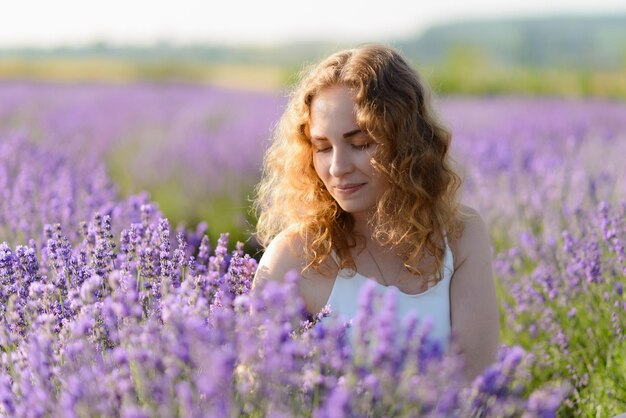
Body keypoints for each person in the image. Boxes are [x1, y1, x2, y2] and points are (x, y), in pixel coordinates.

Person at [252, 43, 499, 381]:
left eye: (360, 144)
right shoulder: (293, 256)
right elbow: (256, 389)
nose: (337, 167)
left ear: (406, 142)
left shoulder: (460, 236)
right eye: (322, 148)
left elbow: (477, 383)